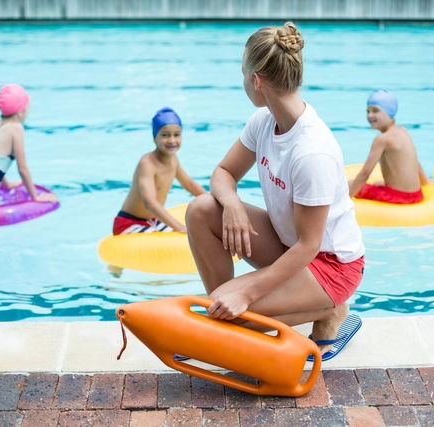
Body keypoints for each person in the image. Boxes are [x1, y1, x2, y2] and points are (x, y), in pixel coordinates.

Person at [185, 22, 365, 359]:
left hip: (328, 265)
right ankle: (228, 312)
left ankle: (329, 309)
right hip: (288, 247)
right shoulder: (264, 121)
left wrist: (248, 293)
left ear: (256, 80)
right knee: (202, 209)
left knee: (218, 320)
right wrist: (233, 203)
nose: (242, 82)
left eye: (242, 73)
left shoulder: (312, 151)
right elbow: (223, 173)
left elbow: (310, 245)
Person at [108, 107, 206, 277]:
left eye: (176, 134)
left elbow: (189, 184)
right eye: (165, 135)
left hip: (151, 221)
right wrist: (178, 227)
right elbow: (149, 202)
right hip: (128, 224)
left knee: (196, 233)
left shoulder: (173, 160)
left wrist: (211, 199)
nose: (172, 140)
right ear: (154, 137)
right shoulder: (147, 163)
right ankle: (115, 271)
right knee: (184, 236)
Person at [348, 89, 429, 204]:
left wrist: (347, 199)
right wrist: (426, 182)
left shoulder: (382, 139)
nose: (370, 115)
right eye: (368, 111)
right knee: (377, 183)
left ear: (389, 112)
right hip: (416, 195)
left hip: (398, 198)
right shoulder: (403, 131)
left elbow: (365, 174)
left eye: (375, 111)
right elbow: (416, 162)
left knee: (350, 184)